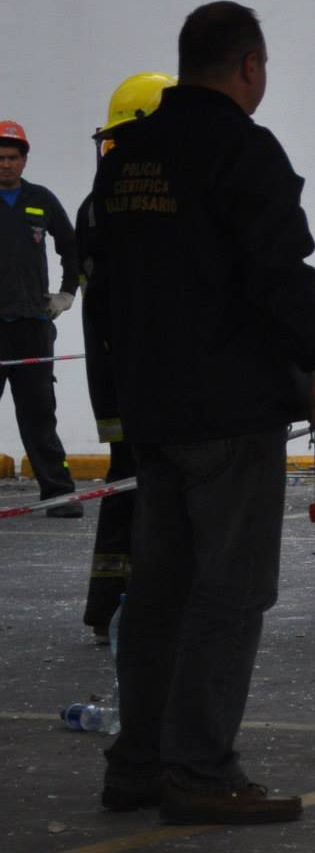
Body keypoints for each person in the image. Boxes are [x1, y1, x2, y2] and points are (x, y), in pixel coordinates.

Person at [88, 0, 315, 825]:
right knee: (231, 590)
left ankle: (138, 763)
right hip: (230, 409)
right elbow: (280, 271)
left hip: (152, 409)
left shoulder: (127, 157)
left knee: (160, 588)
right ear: (249, 66)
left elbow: (105, 284)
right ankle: (200, 769)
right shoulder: (243, 149)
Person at [75, 73, 174, 641]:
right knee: (149, 484)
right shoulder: (140, 207)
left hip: (117, 378)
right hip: (142, 378)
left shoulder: (100, 203)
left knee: (127, 481)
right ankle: (133, 604)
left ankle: (110, 604)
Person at [0, 117, 83, 516]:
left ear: (24, 160)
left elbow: (72, 247)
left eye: (12, 157)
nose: (5, 164)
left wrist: (67, 293)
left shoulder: (41, 199)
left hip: (32, 326)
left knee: (39, 414)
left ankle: (59, 493)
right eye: (0, 158)